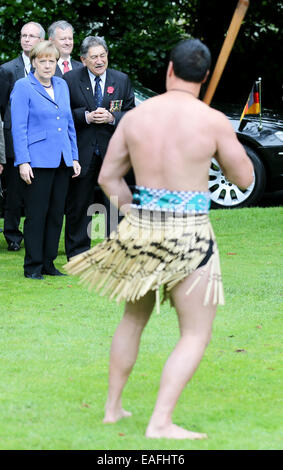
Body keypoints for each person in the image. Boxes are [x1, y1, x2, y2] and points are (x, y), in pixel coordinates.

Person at [65, 38, 254, 439]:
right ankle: (160, 422)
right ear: (203, 78)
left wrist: (133, 212)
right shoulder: (212, 120)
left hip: (143, 228)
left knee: (133, 319)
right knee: (195, 332)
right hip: (190, 232)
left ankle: (113, 409)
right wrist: (219, 147)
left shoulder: (136, 117)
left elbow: (107, 178)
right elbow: (244, 179)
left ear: (169, 70)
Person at [11, 41, 81, 280]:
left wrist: (74, 156)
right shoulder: (23, 86)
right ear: (33, 63)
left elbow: (69, 123)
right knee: (36, 215)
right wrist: (23, 161)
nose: (48, 65)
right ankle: (33, 266)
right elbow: (18, 128)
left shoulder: (61, 85)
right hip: (36, 162)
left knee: (55, 214)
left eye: (52, 61)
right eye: (43, 61)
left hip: (62, 161)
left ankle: (49, 264)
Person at [63, 35, 135, 260]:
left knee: (114, 202)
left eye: (102, 56)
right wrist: (86, 116)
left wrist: (112, 117)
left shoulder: (121, 79)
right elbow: (62, 114)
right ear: (83, 59)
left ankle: (115, 251)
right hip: (82, 152)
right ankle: (78, 252)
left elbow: (132, 115)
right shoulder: (70, 79)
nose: (99, 61)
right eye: (93, 57)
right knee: (79, 204)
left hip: (113, 153)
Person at [0, 21, 45, 251]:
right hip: (13, 140)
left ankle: (34, 234)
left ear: (41, 40)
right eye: (23, 35)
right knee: (14, 193)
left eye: (32, 36)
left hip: (39, 139)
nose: (26, 39)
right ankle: (12, 236)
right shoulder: (8, 69)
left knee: (36, 191)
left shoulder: (49, 68)